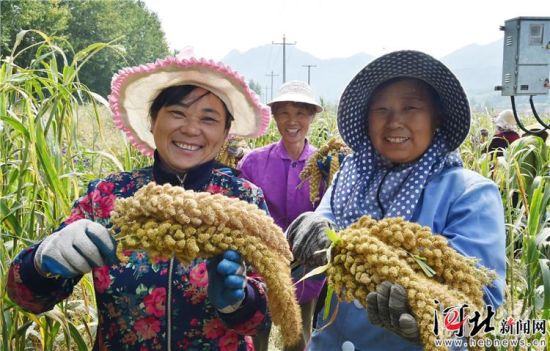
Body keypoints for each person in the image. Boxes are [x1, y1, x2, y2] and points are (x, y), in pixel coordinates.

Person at [7, 52, 273, 350]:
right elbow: (25, 298)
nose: (190, 128)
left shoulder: (243, 199)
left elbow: (264, 318)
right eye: (177, 113)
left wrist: (239, 303)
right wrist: (41, 265)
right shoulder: (106, 196)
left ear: (225, 132)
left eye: (208, 119)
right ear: (152, 120)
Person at [286, 50, 506, 350]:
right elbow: (324, 228)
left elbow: (484, 303)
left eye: (411, 108)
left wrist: (428, 321)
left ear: (436, 117)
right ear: (367, 119)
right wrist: (310, 232)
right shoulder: (349, 176)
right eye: (382, 110)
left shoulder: (469, 194)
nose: (394, 122)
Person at [237, 80, 325, 351]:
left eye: (300, 113)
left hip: (306, 266)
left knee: (298, 337)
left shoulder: (324, 165)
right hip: (261, 264)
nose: (292, 121)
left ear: (311, 117)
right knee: (257, 334)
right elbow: (242, 212)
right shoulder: (253, 162)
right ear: (274, 117)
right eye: (284, 113)